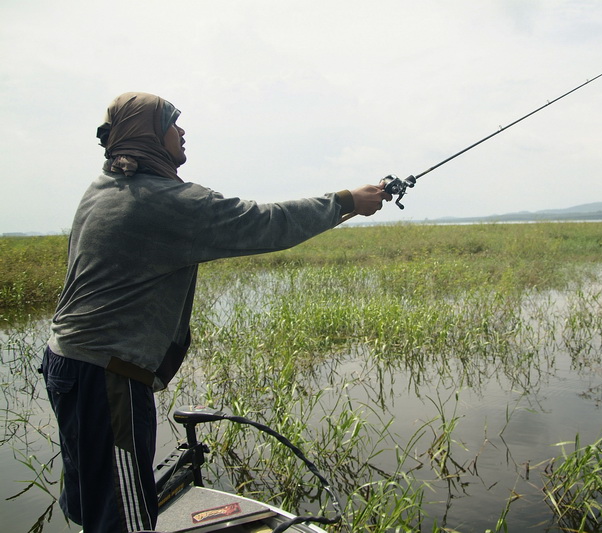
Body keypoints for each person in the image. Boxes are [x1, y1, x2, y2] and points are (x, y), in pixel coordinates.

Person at [40, 91, 391, 532]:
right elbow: (265, 224)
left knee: (93, 495)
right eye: (172, 123)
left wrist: (341, 208)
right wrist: (346, 201)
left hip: (66, 362)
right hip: (106, 376)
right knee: (122, 519)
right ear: (148, 134)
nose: (182, 131)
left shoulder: (106, 187)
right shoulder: (166, 201)